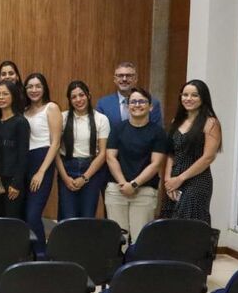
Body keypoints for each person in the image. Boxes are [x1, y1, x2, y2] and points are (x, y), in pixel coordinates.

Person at [105, 87, 168, 242]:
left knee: (141, 239)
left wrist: (133, 184)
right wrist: (123, 183)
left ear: (150, 106)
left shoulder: (158, 132)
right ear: (127, 106)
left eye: (142, 101)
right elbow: (110, 157)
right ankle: (119, 267)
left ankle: (137, 267)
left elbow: (156, 164)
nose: (137, 105)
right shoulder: (118, 129)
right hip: (116, 189)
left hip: (144, 191)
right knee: (118, 239)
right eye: (133, 101)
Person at [160, 80, 222, 223]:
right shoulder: (176, 121)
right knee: (169, 227)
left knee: (189, 226)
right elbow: (171, 153)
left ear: (203, 98)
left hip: (197, 181)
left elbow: (208, 157)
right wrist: (168, 180)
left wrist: (180, 179)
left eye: (194, 95)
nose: (188, 99)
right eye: (185, 95)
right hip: (173, 181)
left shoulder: (210, 122)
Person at [55, 81, 110, 220]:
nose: (78, 100)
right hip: (67, 168)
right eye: (74, 97)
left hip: (92, 170)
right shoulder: (62, 117)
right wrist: (65, 178)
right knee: (68, 217)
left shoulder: (101, 119)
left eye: (81, 95)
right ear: (69, 100)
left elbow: (103, 153)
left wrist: (85, 177)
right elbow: (55, 150)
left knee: (87, 216)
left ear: (89, 95)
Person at [22, 73, 62, 252]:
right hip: (26, 161)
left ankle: (41, 254)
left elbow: (55, 143)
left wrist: (41, 171)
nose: (34, 90)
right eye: (30, 86)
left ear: (44, 87)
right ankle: (28, 254)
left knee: (33, 214)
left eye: (37, 86)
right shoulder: (24, 111)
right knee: (24, 214)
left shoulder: (51, 108)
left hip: (42, 160)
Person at [0, 80, 29, 219]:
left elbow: (23, 155)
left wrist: (16, 183)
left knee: (11, 221)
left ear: (13, 96)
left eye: (5, 94)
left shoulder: (20, 122)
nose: (1, 98)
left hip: (12, 182)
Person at [96, 61, 163, 129]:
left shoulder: (152, 103)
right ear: (115, 79)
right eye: (120, 76)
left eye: (128, 76)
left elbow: (157, 131)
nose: (124, 79)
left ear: (135, 79)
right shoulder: (103, 104)